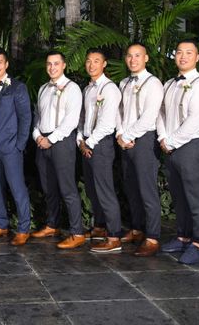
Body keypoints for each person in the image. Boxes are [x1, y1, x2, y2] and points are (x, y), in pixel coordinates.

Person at [157, 38, 199, 265]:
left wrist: (171, 141)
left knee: (197, 197)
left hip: (193, 146)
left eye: (188, 53)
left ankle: (198, 244)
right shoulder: (169, 84)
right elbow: (160, 113)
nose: (183, 56)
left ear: (197, 57)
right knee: (179, 196)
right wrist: (163, 137)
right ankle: (183, 236)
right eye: (179, 52)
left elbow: (195, 120)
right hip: (171, 146)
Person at [31, 51, 86, 249]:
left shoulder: (72, 89)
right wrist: (37, 135)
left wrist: (51, 139)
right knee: (48, 189)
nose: (52, 67)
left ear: (64, 65)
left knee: (67, 188)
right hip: (42, 142)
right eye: (49, 64)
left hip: (61, 142)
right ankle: (52, 224)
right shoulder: (43, 88)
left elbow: (71, 120)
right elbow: (37, 116)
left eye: (56, 64)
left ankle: (77, 232)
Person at [0, 47, 32, 246]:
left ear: (6, 64)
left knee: (17, 188)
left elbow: (26, 117)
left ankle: (23, 228)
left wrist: (19, 145)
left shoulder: (17, 87)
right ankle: (1, 225)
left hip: (11, 148)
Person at [116, 43, 164, 257]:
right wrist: (120, 134)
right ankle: (137, 229)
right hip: (125, 140)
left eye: (138, 56)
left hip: (143, 140)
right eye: (129, 56)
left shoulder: (153, 83)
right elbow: (119, 111)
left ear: (146, 59)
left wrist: (128, 135)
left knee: (147, 189)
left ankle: (152, 237)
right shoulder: (123, 82)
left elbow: (149, 115)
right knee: (131, 186)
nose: (133, 60)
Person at [78, 48, 123, 253]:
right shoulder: (88, 89)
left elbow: (107, 124)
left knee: (105, 190)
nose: (91, 65)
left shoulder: (110, 89)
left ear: (104, 64)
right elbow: (82, 119)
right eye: (89, 61)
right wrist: (80, 140)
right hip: (87, 143)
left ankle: (114, 237)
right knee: (92, 190)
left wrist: (89, 143)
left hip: (101, 145)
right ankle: (99, 228)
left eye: (96, 61)